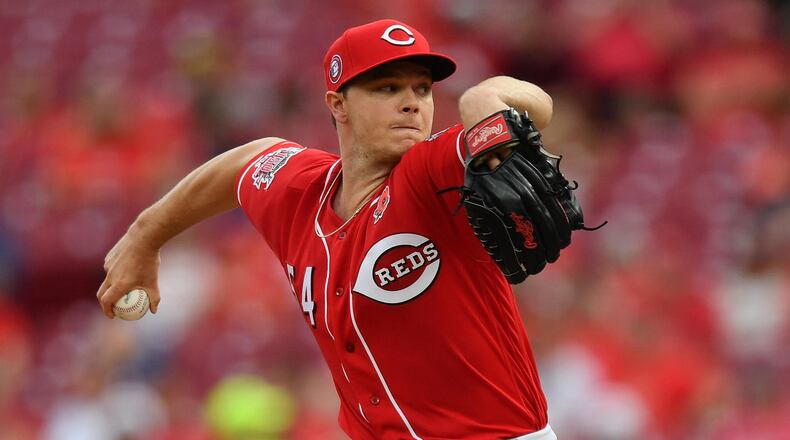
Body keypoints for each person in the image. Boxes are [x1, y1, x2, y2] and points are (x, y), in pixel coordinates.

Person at [97, 19, 558, 440]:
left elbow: (535, 108)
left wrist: (484, 99)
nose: (411, 103)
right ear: (338, 104)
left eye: (422, 89)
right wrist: (145, 235)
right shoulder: (299, 191)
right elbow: (245, 162)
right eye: (387, 87)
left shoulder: (435, 172)